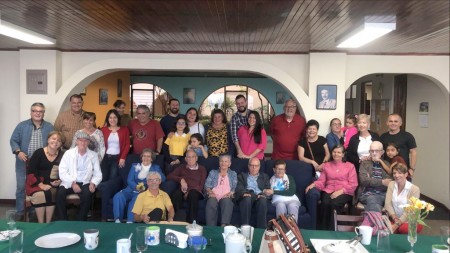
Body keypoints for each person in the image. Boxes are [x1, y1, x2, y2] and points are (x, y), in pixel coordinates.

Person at [10, 102, 54, 220]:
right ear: (31, 112)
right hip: (23, 161)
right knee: (21, 187)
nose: (37, 113)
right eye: (35, 111)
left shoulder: (49, 126)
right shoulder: (22, 126)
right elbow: (13, 140)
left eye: (40, 111)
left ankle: (34, 210)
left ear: (43, 113)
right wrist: (18, 151)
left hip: (40, 163)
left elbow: (54, 141)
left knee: (36, 185)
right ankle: (20, 212)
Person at [305, 145, 358, 230]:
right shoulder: (327, 165)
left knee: (334, 204)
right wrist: (314, 184)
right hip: (328, 190)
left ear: (343, 154)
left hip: (345, 191)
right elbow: (322, 181)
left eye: (339, 152)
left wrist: (340, 192)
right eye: (334, 152)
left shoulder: (350, 166)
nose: (336, 154)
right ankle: (322, 230)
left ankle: (333, 230)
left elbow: (353, 184)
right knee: (325, 204)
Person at [55, 131, 102, 221]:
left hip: (85, 182)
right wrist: (73, 183)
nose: (83, 143)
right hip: (70, 181)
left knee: (87, 195)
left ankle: (80, 221)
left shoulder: (93, 155)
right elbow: (62, 172)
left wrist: (93, 183)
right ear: (76, 141)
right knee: (60, 194)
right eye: (80, 140)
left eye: (85, 141)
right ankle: (63, 221)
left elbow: (98, 173)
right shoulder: (68, 153)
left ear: (88, 142)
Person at [113, 149, 165, 223]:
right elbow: (129, 180)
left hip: (143, 192)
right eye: (144, 156)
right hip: (130, 189)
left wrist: (155, 175)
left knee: (135, 200)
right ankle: (117, 220)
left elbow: (163, 178)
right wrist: (137, 187)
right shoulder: (134, 166)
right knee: (118, 196)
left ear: (152, 159)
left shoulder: (155, 168)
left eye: (148, 156)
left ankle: (130, 221)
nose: (146, 158)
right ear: (141, 157)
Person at [25, 131, 63, 223]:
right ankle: (41, 224)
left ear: (61, 144)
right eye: (53, 139)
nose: (55, 141)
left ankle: (48, 223)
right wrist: (41, 185)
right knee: (40, 195)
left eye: (58, 140)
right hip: (35, 183)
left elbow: (65, 171)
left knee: (52, 193)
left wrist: (59, 181)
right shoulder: (38, 153)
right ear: (48, 140)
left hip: (52, 184)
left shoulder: (62, 155)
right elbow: (31, 171)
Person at [167, 150, 207, 223]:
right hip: (183, 190)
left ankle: (192, 221)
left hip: (196, 191)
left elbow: (201, 185)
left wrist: (189, 191)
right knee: (176, 194)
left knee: (193, 194)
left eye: (193, 157)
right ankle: (178, 219)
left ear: (196, 158)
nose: (191, 159)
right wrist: (181, 180)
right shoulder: (182, 167)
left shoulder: (202, 169)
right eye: (188, 157)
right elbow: (169, 176)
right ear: (185, 159)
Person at [384, 163, 422, 234]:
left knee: (403, 229)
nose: (396, 175)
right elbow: (387, 204)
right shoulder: (391, 184)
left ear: (406, 174)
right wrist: (395, 218)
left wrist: (397, 224)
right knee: (384, 228)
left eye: (400, 173)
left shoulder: (415, 189)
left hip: (411, 219)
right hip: (395, 218)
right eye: (394, 173)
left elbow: (410, 211)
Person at [235, 158, 272, 228]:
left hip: (260, 196)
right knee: (247, 199)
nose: (254, 168)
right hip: (247, 195)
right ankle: (245, 227)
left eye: (256, 165)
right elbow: (239, 188)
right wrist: (250, 195)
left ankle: (261, 230)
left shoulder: (265, 176)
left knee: (263, 201)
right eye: (251, 165)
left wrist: (264, 194)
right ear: (248, 166)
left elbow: (267, 189)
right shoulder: (242, 176)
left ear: (259, 167)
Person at [356, 141, 392, 212]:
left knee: (372, 201)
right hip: (365, 194)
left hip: (383, 195)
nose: (374, 153)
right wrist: (382, 182)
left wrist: (371, 180)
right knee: (372, 199)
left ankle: (369, 221)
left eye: (377, 151)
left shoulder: (387, 164)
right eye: (372, 151)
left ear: (382, 152)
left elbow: (389, 183)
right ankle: (377, 222)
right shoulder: (364, 163)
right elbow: (364, 181)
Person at [380, 114, 417, 178]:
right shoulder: (383, 136)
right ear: (387, 123)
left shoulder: (408, 136)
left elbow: (413, 152)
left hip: (403, 171)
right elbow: (380, 152)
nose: (393, 123)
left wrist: (412, 169)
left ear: (400, 123)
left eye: (396, 121)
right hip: (387, 171)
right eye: (390, 121)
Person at [204, 154, 237, 226]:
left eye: (226, 161)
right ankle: (211, 227)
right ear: (219, 162)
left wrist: (230, 193)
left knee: (227, 202)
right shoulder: (213, 172)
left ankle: (224, 226)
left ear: (229, 164)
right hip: (214, 194)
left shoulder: (233, 174)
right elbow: (207, 185)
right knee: (211, 201)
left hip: (226, 195)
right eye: (221, 161)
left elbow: (234, 187)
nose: (223, 163)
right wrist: (210, 192)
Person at [100, 109, 130, 182]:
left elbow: (127, 144)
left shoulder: (124, 130)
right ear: (107, 119)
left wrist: (122, 158)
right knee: (103, 178)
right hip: (105, 157)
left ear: (118, 118)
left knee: (112, 178)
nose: (112, 120)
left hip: (117, 158)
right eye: (110, 117)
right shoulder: (103, 130)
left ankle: (112, 193)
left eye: (115, 117)